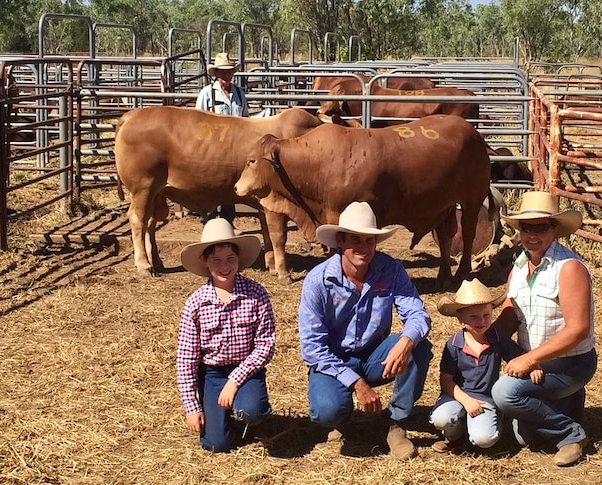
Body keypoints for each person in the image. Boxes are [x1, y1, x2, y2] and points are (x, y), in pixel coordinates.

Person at [298, 201, 433, 460]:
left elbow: (417, 314)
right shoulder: (318, 281)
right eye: (355, 240)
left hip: (374, 355)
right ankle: (341, 417)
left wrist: (405, 341)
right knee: (326, 411)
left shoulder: (390, 269)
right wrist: (357, 383)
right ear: (340, 240)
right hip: (334, 358)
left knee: (419, 347)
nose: (363, 247)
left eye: (369, 240)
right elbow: (312, 347)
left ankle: (395, 422)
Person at [490, 191, 597, 467]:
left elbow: (578, 330)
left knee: (505, 393)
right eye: (526, 227)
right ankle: (566, 402)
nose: (532, 234)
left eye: (540, 227)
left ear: (555, 229)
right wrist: (486, 336)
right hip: (538, 362)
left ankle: (570, 434)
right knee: (523, 436)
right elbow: (513, 313)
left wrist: (529, 358)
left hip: (570, 362)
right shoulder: (519, 264)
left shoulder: (569, 267)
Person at [176, 218, 276, 452]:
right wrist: (191, 407)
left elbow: (265, 345)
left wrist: (234, 381)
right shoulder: (196, 303)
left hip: (247, 368)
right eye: (216, 260)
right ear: (205, 261)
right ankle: (222, 420)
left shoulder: (256, 293)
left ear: (238, 257)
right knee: (216, 444)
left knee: (252, 410)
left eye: (230, 258)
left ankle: (247, 413)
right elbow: (186, 359)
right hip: (212, 373)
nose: (224, 266)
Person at [429, 278, 543, 453]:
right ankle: (454, 436)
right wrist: (467, 401)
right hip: (458, 396)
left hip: (485, 398)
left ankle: (492, 420)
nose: (481, 321)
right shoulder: (453, 344)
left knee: (484, 440)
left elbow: (519, 356)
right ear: (460, 318)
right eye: (473, 316)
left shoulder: (497, 338)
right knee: (441, 418)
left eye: (486, 315)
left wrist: (532, 364)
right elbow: (446, 381)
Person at [195, 52, 249, 224]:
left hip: (234, 149)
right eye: (222, 72)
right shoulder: (207, 93)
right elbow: (197, 121)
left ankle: (227, 223)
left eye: (228, 72)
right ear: (216, 74)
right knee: (210, 186)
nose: (226, 76)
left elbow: (246, 120)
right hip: (212, 149)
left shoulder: (239, 93)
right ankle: (208, 222)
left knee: (229, 186)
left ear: (232, 73)